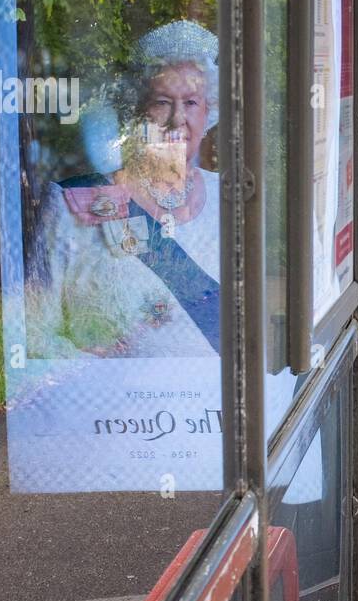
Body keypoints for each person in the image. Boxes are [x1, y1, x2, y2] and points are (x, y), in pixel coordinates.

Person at [26, 19, 220, 359]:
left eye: (190, 103)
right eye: (162, 102)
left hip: (212, 412)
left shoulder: (230, 201)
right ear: (136, 112)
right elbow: (34, 335)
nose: (176, 119)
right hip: (109, 409)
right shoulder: (72, 204)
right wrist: (94, 370)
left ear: (208, 112)